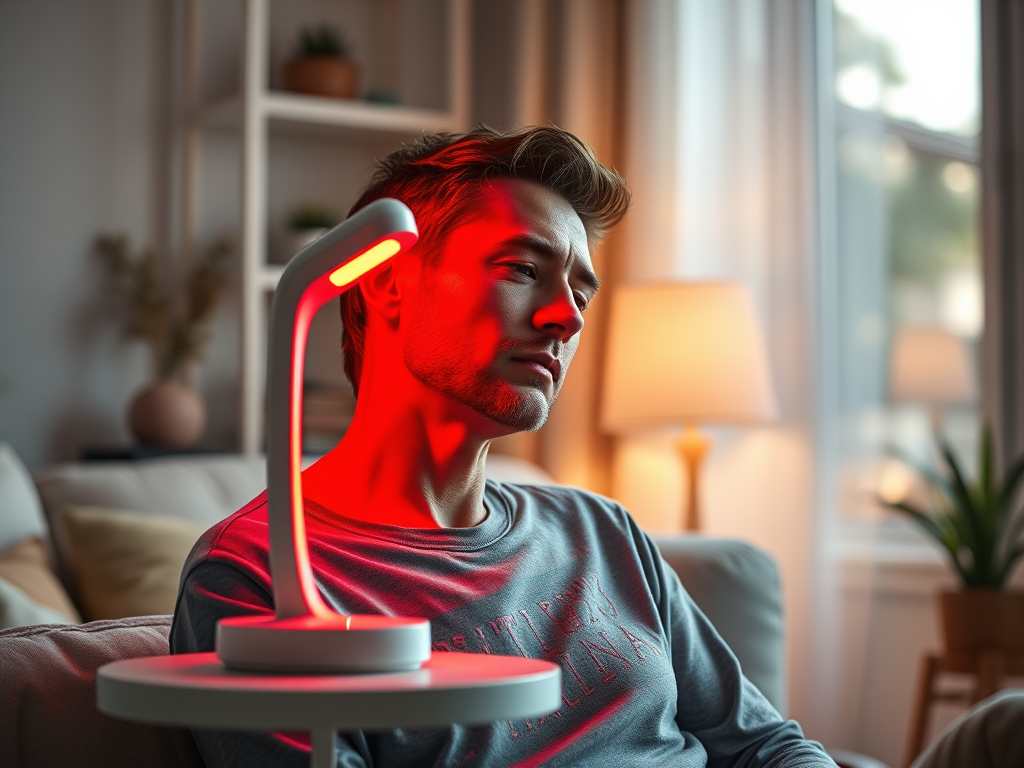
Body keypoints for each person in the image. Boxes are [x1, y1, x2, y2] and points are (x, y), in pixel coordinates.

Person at [171, 126, 836, 767]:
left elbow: (765, 746)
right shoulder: (257, 579)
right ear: (386, 280)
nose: (567, 317)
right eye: (522, 268)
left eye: (580, 292)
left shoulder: (603, 531)